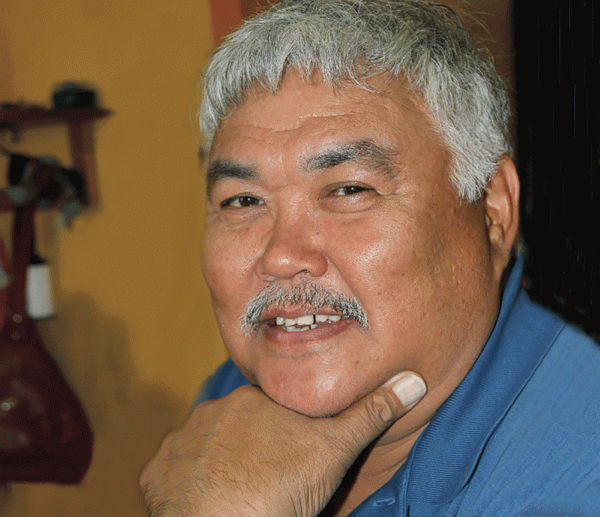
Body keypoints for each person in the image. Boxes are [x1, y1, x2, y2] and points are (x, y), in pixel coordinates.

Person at [141, 1, 600, 515]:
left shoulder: (579, 468)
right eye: (243, 201)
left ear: (493, 208)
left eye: (348, 189)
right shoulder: (238, 397)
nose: (281, 256)